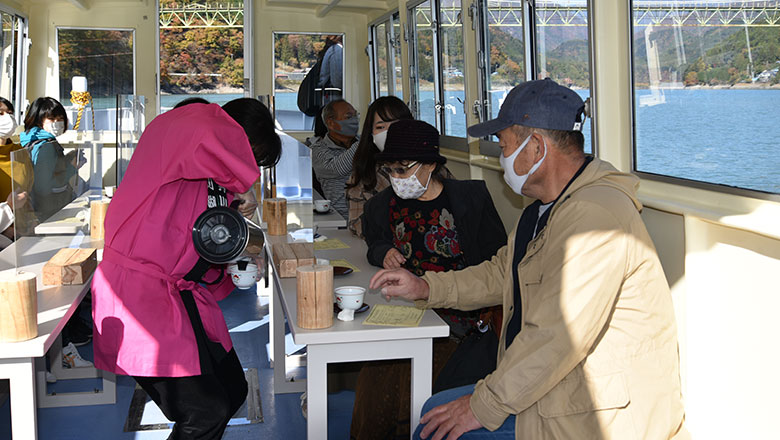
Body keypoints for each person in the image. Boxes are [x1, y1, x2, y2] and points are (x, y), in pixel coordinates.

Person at [370, 79, 688, 440]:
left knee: (435, 428)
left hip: (593, 409)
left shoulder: (596, 218)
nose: (500, 157)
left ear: (535, 147)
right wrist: (426, 286)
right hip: (550, 384)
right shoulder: (543, 209)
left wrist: (482, 405)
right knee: (432, 414)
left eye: (504, 146)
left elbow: (557, 336)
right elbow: (500, 272)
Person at [91, 98, 281, 439]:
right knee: (205, 411)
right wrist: (243, 183)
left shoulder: (208, 179)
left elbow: (195, 240)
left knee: (234, 389)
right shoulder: (182, 131)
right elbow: (203, 126)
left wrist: (233, 219)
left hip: (177, 296)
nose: (247, 164)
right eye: (250, 154)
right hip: (137, 294)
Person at [352, 119, 507, 439]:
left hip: (463, 318)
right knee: (377, 373)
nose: (396, 178)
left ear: (431, 165)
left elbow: (498, 261)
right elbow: (373, 240)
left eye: (403, 169)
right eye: (390, 170)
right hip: (409, 310)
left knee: (419, 379)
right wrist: (382, 252)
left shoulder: (470, 199)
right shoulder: (383, 205)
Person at [345, 96, 413, 237]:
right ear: (371, 134)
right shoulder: (363, 174)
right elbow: (356, 223)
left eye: (395, 125)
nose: (389, 132)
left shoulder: (428, 166)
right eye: (380, 127)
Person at [20, 97, 81, 221]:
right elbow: (43, 187)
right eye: (51, 119)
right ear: (38, 120)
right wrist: (72, 167)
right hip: (49, 212)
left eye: (60, 119)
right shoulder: (46, 147)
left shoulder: (30, 140)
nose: (57, 123)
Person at [311, 99, 359, 219]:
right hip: (341, 219)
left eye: (355, 115)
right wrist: (362, 145)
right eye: (349, 117)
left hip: (370, 216)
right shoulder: (318, 149)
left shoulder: (365, 144)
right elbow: (336, 169)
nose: (355, 120)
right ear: (331, 123)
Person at [313, 34, 343, 137]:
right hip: (333, 98)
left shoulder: (331, 50)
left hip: (327, 98)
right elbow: (337, 81)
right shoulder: (337, 51)